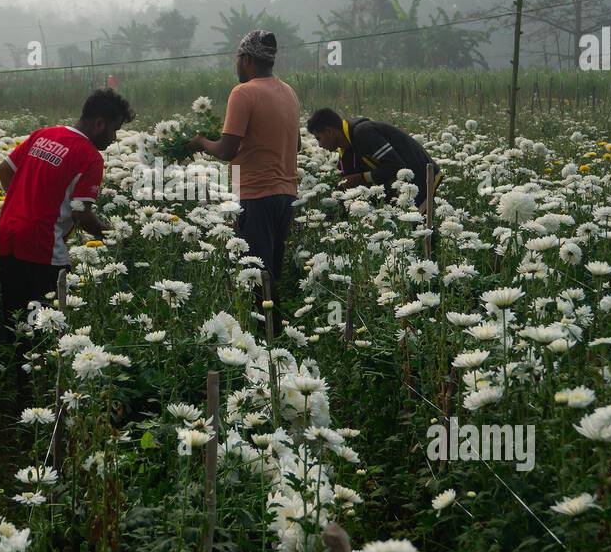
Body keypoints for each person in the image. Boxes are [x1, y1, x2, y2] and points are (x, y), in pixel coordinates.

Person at [0, 88, 133, 386]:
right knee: (45, 323)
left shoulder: (44, 134)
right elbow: (82, 214)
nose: (113, 138)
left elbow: (4, 169)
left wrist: (24, 204)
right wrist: (115, 235)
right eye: (114, 129)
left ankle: (15, 388)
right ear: (100, 123)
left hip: (9, 234)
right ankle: (40, 391)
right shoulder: (89, 157)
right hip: (43, 249)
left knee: (16, 318)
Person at [188, 30, 300, 333]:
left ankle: (268, 339)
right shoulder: (287, 91)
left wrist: (201, 142)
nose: (236, 65)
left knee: (255, 272)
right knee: (271, 270)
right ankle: (274, 334)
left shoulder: (244, 93)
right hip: (287, 193)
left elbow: (226, 149)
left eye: (237, 59)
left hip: (256, 194)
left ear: (246, 60)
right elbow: (297, 145)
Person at [306, 107, 441, 213]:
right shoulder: (346, 148)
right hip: (400, 182)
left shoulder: (363, 133)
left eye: (319, 138)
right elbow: (348, 182)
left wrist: (361, 178)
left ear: (330, 132)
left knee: (417, 226)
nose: (320, 145)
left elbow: (396, 167)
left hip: (421, 175)